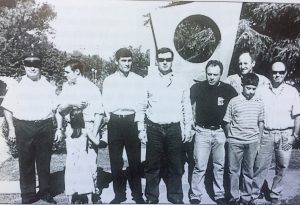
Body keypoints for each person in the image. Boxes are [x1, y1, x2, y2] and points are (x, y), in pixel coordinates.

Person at [2, 54, 58, 204]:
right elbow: (7, 108)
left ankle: (45, 192)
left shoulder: (48, 85)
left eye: (36, 65)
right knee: (25, 163)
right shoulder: (17, 85)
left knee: (44, 161)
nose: (32, 68)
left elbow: (56, 108)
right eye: (29, 65)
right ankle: (27, 196)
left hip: (44, 126)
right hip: (24, 127)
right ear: (24, 67)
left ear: (40, 67)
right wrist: (12, 129)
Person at [143, 47, 193, 204]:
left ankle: (176, 196)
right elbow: (142, 107)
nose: (165, 62)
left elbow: (186, 107)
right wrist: (141, 130)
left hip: (174, 128)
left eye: (168, 59)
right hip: (154, 128)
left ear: (172, 61)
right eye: (162, 59)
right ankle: (152, 197)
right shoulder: (148, 81)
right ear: (157, 61)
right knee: (152, 166)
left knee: (176, 165)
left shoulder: (181, 81)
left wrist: (187, 128)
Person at [55, 59, 105, 204]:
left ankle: (92, 193)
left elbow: (99, 113)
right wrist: (70, 104)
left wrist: (94, 133)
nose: (65, 75)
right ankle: (76, 193)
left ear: (77, 72)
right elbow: (59, 108)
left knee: (90, 163)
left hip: (88, 127)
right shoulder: (66, 86)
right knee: (74, 162)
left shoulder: (91, 88)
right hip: (72, 128)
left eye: (67, 72)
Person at [189, 60, 237, 205]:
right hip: (202, 131)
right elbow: (187, 105)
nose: (211, 77)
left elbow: (236, 107)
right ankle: (195, 195)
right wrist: (191, 121)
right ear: (206, 73)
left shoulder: (228, 90)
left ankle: (219, 194)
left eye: (215, 75)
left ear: (220, 75)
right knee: (199, 166)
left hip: (220, 132)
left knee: (219, 166)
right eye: (209, 74)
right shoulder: (197, 88)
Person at [251, 62, 300, 205]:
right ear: (270, 73)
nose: (277, 75)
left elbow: (298, 116)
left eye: (280, 72)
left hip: (285, 135)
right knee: (260, 166)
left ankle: (275, 193)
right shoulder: (261, 91)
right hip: (266, 134)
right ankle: (254, 193)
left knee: (282, 166)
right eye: (274, 72)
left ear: (285, 73)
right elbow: (255, 112)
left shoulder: (292, 92)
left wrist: (294, 136)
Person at [102, 48, 146, 204]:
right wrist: (107, 124)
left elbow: (141, 105)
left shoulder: (139, 80)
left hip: (132, 122)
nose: (127, 64)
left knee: (134, 161)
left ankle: (137, 195)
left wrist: (140, 127)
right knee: (116, 161)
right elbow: (105, 105)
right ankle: (119, 194)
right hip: (115, 123)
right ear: (117, 62)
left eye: (129, 60)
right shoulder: (109, 81)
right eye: (123, 60)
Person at [223, 73, 264, 205]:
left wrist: (258, 141)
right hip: (235, 142)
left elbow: (261, 122)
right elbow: (227, 121)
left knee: (248, 171)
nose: (251, 91)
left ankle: (246, 197)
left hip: (252, 142)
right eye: (248, 88)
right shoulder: (234, 101)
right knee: (233, 171)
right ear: (242, 86)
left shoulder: (259, 102)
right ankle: (234, 197)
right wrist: (231, 136)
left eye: (253, 88)